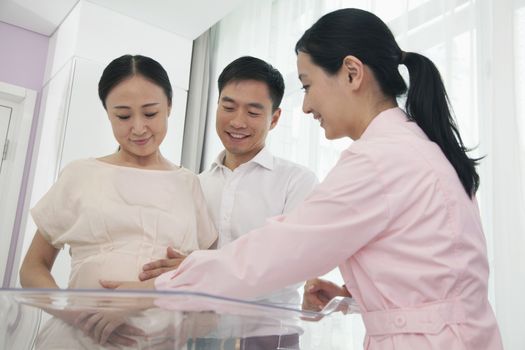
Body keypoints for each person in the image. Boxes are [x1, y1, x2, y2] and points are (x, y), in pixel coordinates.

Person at [103, 9, 503, 350]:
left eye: (308, 85)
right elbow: (434, 273)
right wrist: (356, 297)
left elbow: (275, 252)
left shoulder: (380, 159)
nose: (308, 104)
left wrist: (157, 289)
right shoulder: (414, 146)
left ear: (351, 73)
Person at [19, 54, 217, 348]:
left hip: (159, 341)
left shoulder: (189, 184)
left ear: (170, 107)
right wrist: (73, 312)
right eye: (123, 116)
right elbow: (32, 268)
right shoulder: (81, 174)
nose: (138, 128)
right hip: (77, 339)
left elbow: (208, 275)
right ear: (107, 113)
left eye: (150, 113)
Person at [138, 56, 318, 308]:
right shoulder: (195, 184)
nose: (237, 122)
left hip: (269, 335)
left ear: (275, 119)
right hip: (196, 330)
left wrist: (197, 270)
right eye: (229, 107)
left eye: (253, 112)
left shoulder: (296, 181)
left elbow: (289, 268)